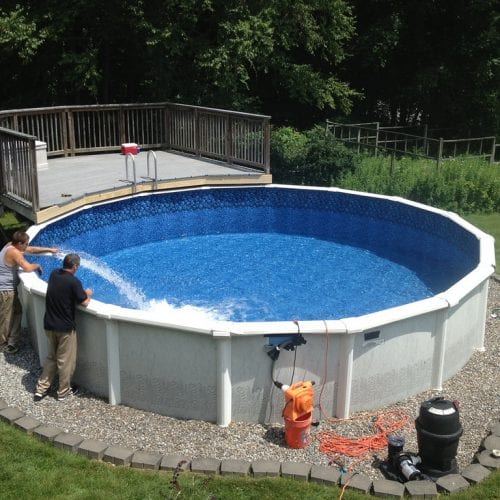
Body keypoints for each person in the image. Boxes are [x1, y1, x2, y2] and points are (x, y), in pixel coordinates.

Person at [34, 253, 92, 401]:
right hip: (65, 328)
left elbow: (63, 293)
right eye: (77, 266)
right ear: (75, 266)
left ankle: (41, 389)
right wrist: (88, 293)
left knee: (51, 357)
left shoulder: (54, 274)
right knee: (65, 361)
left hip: (49, 324)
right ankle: (63, 392)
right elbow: (84, 302)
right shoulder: (74, 282)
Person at [0, 230, 59, 354]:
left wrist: (49, 249)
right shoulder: (14, 252)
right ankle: (2, 344)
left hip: (8, 289)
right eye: (26, 244)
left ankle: (12, 342)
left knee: (17, 313)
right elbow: (27, 268)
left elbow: (31, 250)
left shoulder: (10, 245)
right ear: (20, 243)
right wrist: (36, 265)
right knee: (6, 317)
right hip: (5, 291)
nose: (27, 246)